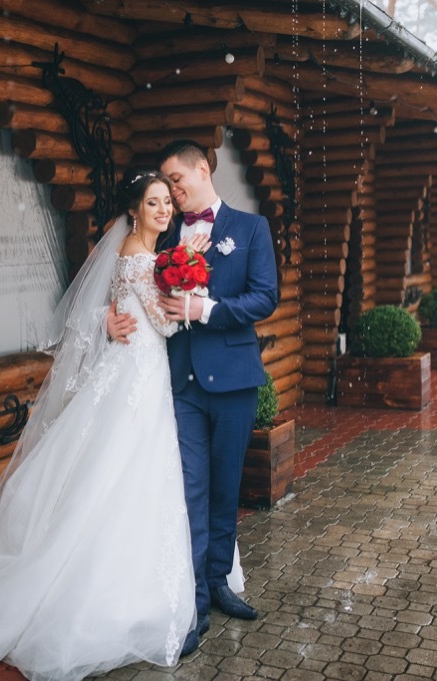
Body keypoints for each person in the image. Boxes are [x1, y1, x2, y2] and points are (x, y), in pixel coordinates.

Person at [0, 170, 208, 680]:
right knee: (127, 476)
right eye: (154, 203)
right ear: (134, 210)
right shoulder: (142, 259)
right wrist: (193, 278)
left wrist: (121, 311)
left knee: (113, 474)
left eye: (167, 203)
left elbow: (110, 312)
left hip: (129, 375)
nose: (164, 211)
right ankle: (113, 595)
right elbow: (164, 324)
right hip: (136, 381)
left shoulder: (133, 254)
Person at [108, 140, 279, 655]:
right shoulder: (160, 231)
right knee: (189, 492)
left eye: (177, 180)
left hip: (233, 380)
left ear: (203, 170)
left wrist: (204, 309)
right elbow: (126, 282)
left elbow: (264, 297)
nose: (172, 192)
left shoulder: (251, 229)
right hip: (178, 385)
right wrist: (108, 319)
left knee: (227, 487)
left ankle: (221, 581)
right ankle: (193, 603)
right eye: (165, 185)